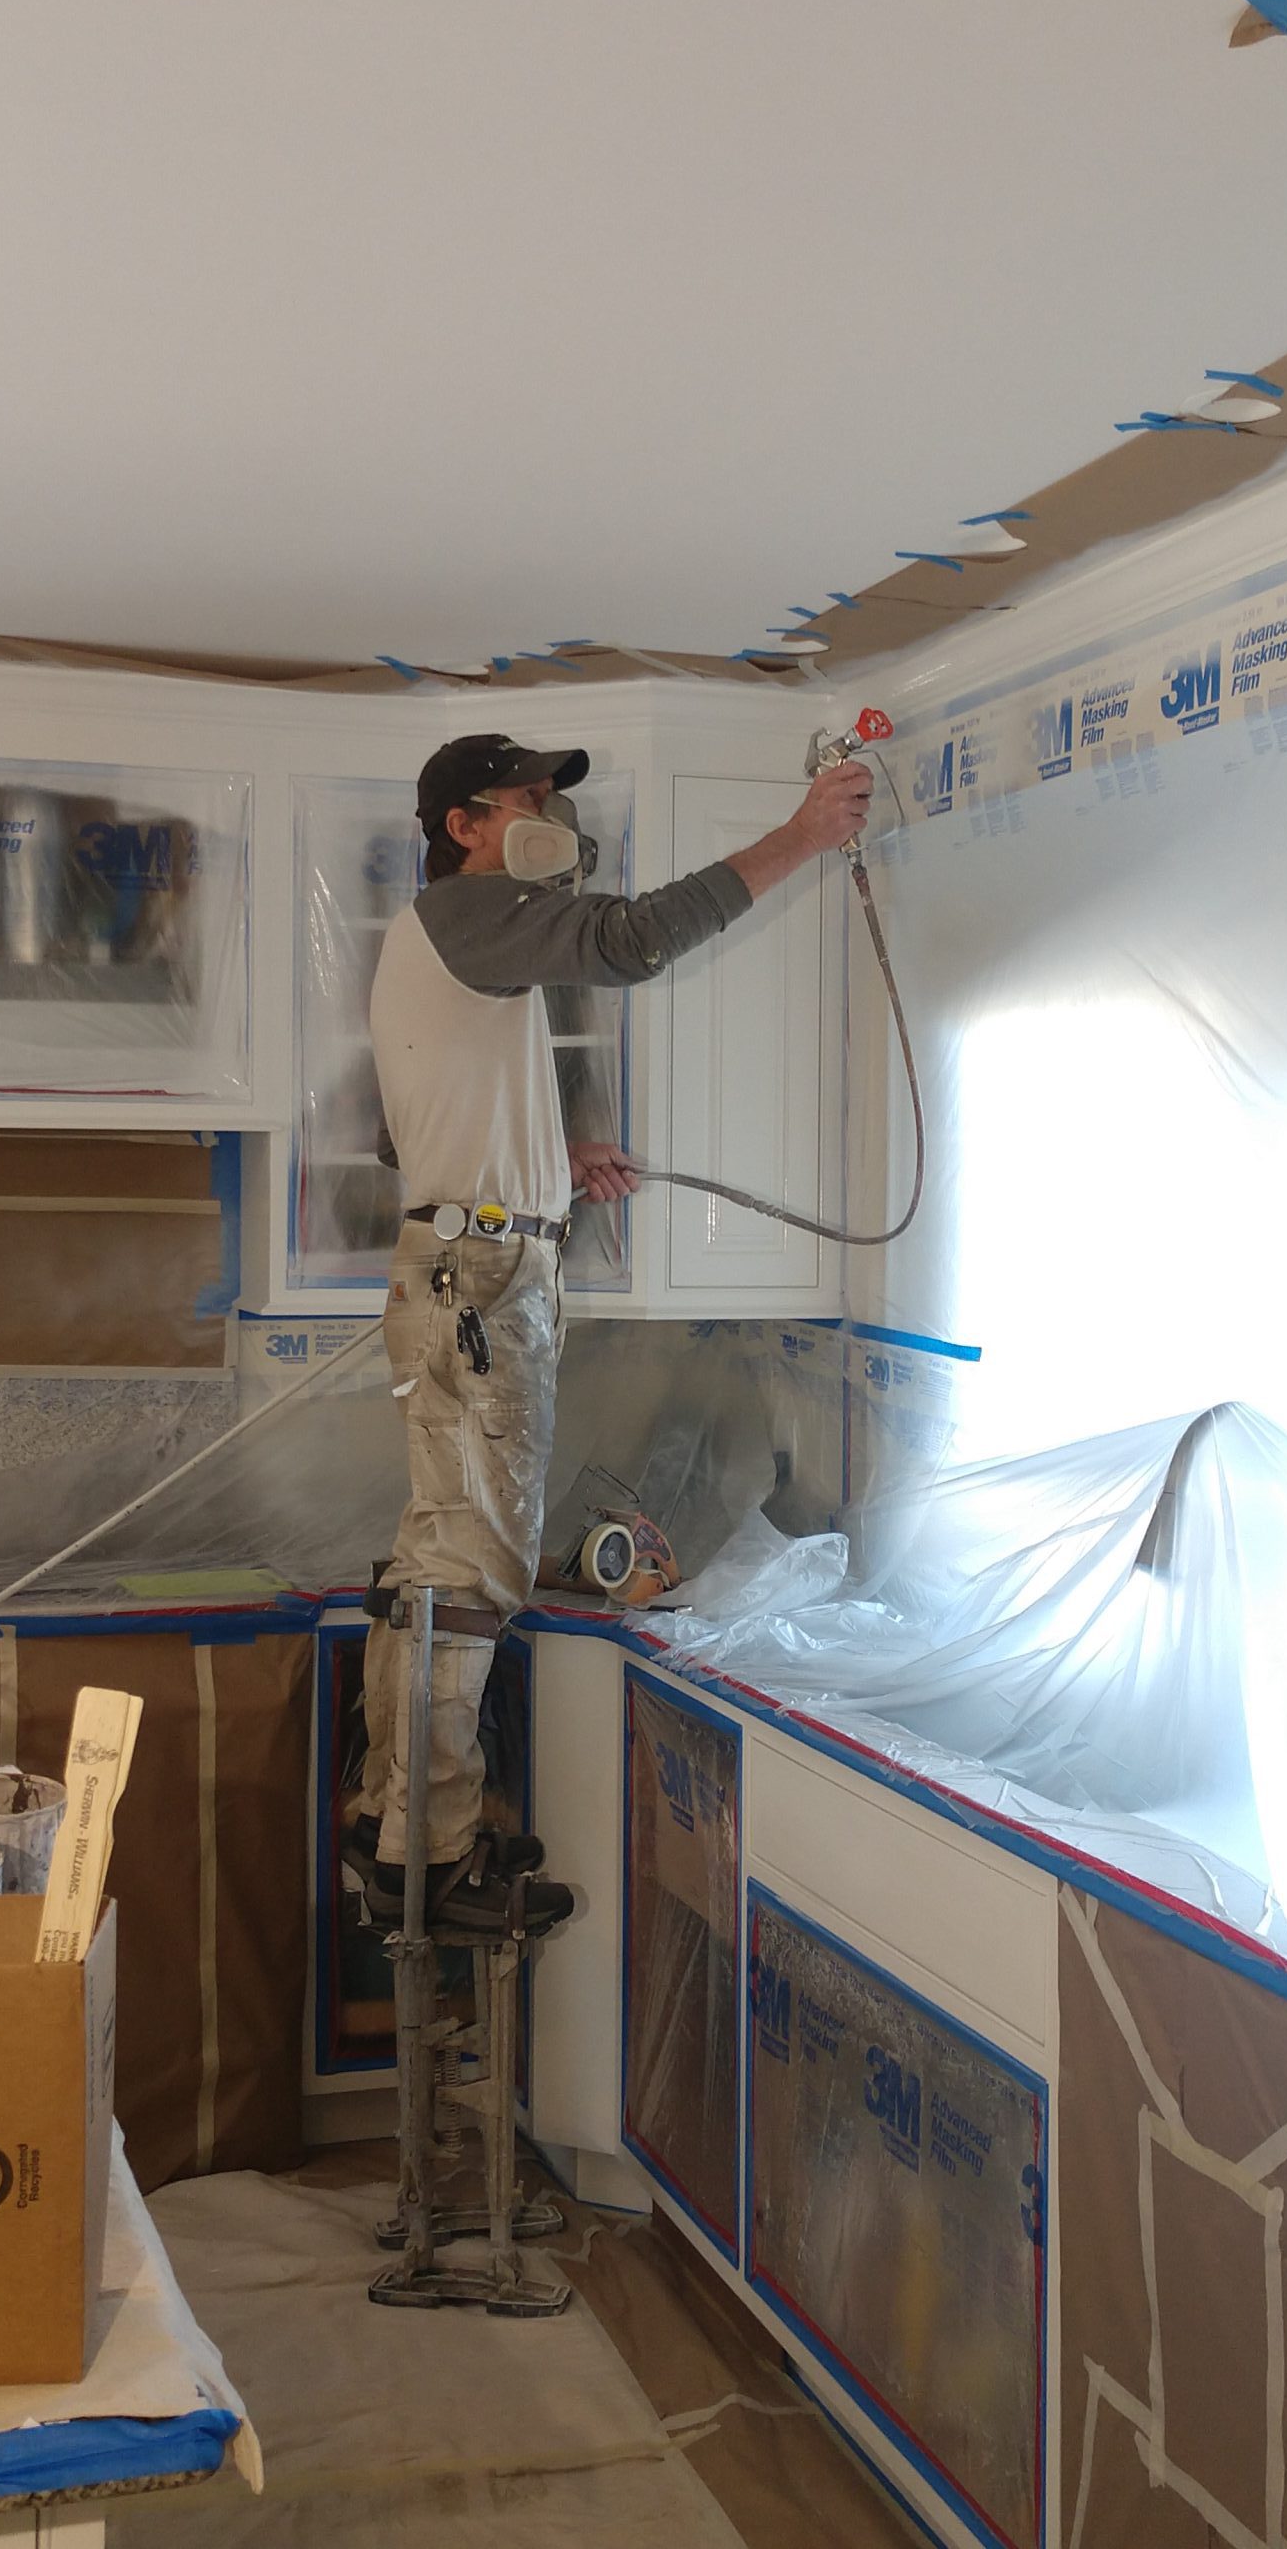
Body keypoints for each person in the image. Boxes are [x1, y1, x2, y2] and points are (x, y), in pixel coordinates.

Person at [353, 729, 872, 1934]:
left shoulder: (435, 942)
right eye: (526, 798)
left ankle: (395, 1824)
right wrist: (802, 837)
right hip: (483, 1281)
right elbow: (631, 939)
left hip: (466, 1264)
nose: (551, 817)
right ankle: (433, 1853)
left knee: (438, 1561)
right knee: (471, 1574)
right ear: (463, 826)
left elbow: (405, 1127)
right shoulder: (471, 911)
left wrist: (550, 1155)